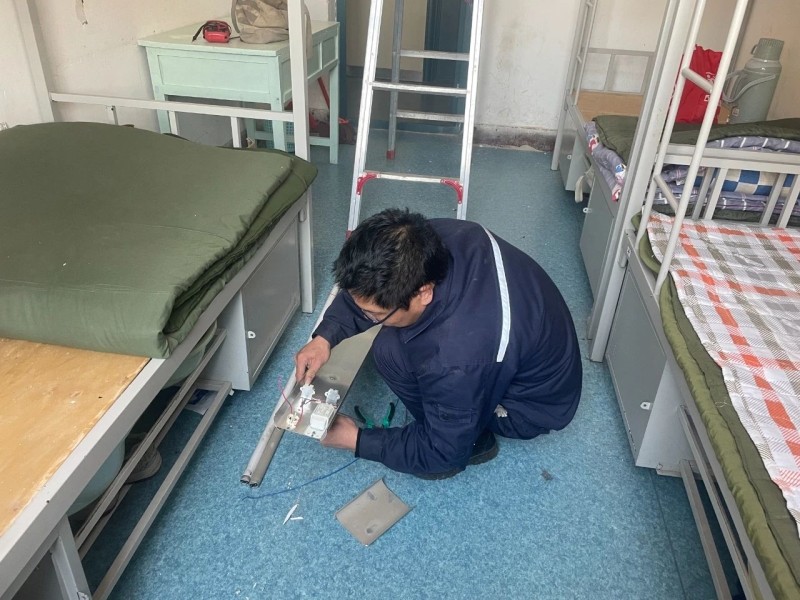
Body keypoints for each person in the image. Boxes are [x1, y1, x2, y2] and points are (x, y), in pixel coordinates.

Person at [295, 208, 582, 479]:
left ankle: (475, 441)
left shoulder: (458, 356)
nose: (369, 318)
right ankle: (452, 418)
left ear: (424, 292)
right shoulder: (422, 239)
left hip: (526, 409)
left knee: (394, 353)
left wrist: (355, 440)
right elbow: (366, 291)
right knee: (389, 346)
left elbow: (442, 452)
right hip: (517, 348)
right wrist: (325, 337)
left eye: (376, 315)